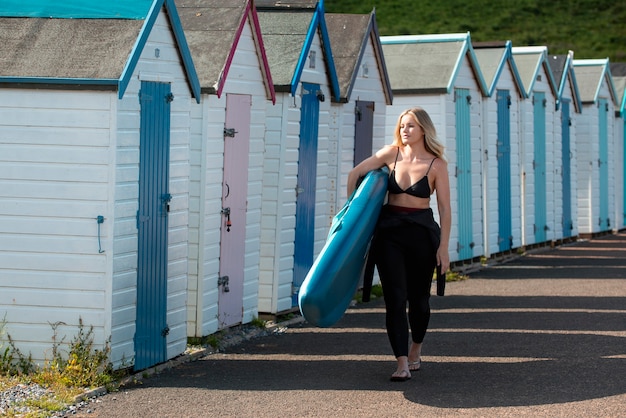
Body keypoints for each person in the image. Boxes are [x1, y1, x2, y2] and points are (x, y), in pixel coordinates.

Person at [347, 107, 451, 382]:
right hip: (390, 233)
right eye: (403, 125)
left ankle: (416, 346)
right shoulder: (389, 154)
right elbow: (354, 174)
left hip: (422, 235)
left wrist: (444, 248)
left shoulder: (436, 164)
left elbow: (445, 208)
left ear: (423, 130)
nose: (405, 130)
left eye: (411, 126)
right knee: (394, 299)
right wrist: (350, 214)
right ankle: (401, 362)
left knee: (419, 301)